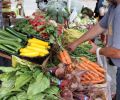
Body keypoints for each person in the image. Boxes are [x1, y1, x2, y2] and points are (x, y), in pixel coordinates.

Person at [68, 0, 120, 99]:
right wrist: (76, 42)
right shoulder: (113, 7)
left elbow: (117, 52)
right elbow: (100, 26)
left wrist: (98, 50)